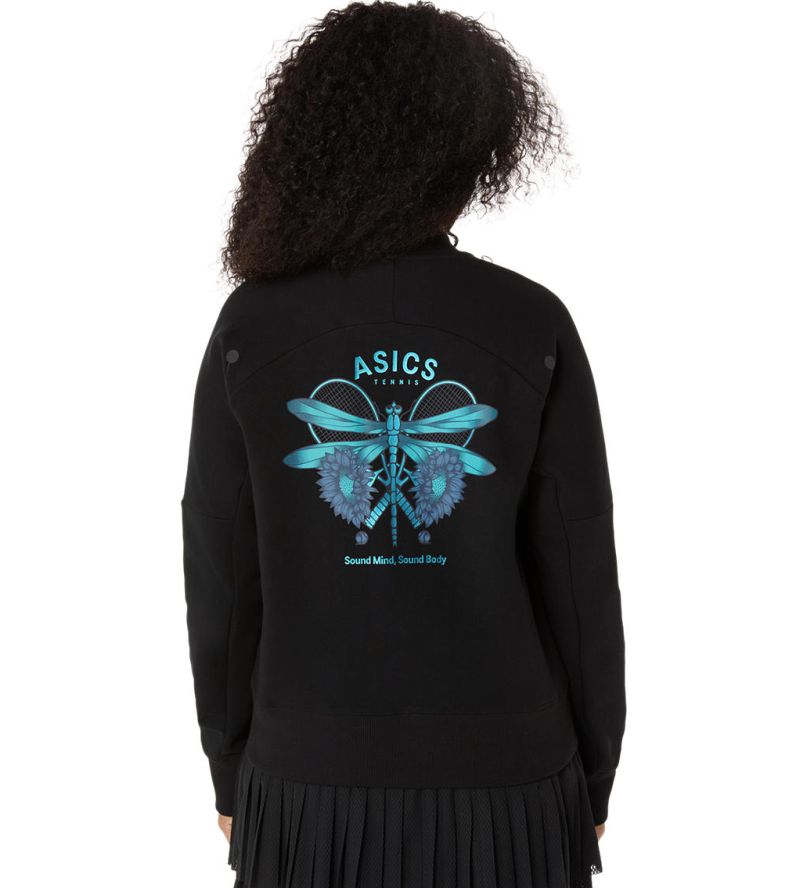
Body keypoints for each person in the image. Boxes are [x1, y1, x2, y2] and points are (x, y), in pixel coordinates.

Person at [180, 2, 626, 886]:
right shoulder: (529, 321)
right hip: (511, 782)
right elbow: (579, 573)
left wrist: (230, 766)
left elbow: (222, 574)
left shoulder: (252, 328)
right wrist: (595, 776)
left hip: (305, 781)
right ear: (471, 151)